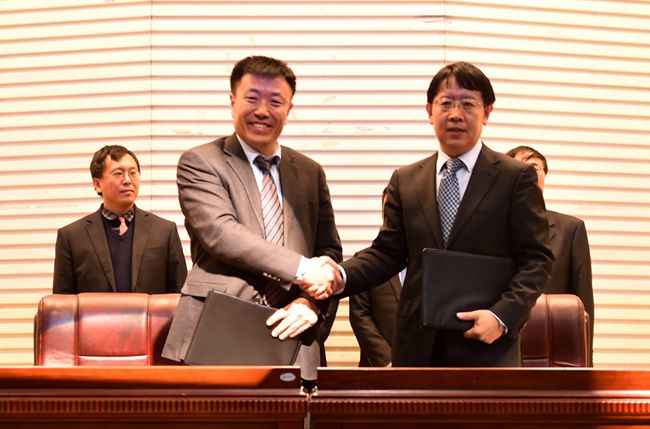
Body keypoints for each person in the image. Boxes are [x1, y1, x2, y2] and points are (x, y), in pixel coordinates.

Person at [313, 61, 554, 367]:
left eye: (468, 103)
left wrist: (501, 316)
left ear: (487, 112)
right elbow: (387, 254)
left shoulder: (514, 178)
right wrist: (339, 275)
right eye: (446, 103)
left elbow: (537, 260)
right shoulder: (406, 180)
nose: (456, 114)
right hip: (416, 350)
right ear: (429, 111)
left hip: (486, 348)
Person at [161, 56, 342, 384]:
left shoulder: (310, 172)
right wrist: (303, 270)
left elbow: (329, 251)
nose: (262, 110)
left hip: (294, 329)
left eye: (275, 101)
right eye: (252, 98)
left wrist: (310, 302)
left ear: (289, 108)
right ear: (232, 102)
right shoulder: (201, 161)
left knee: (300, 412)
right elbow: (220, 233)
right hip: (218, 325)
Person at [53, 145, 187, 294]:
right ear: (97, 184)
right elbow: (62, 302)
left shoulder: (164, 231)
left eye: (133, 173)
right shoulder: (71, 236)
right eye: (118, 173)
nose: (128, 180)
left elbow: (180, 297)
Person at [506, 145, 594, 363]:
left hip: (555, 347)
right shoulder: (490, 228)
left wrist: (585, 361)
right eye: (519, 166)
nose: (527, 172)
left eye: (534, 167)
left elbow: (583, 303)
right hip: (501, 344)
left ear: (544, 176)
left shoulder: (570, 229)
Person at [349, 189, 402, 367]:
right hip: (377, 369)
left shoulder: (429, 261)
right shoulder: (365, 262)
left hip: (426, 368)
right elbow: (359, 315)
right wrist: (386, 361)